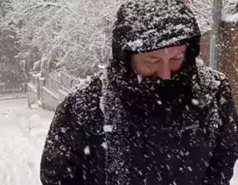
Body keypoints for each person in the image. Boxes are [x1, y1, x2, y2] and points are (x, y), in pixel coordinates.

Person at [40, 0, 238, 185]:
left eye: (177, 58)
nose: (165, 74)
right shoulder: (83, 105)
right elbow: (57, 177)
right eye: (152, 61)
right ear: (125, 57)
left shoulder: (213, 92)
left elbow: (221, 165)